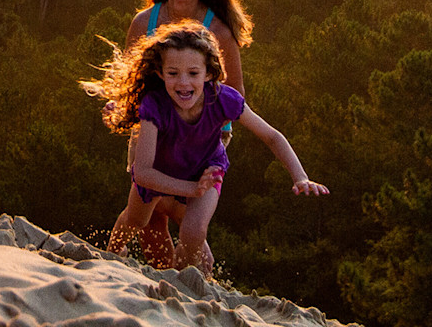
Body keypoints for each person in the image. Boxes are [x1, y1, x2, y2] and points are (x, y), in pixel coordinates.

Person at [84, 23, 327, 273]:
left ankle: (180, 281)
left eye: (193, 73)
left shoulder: (225, 99)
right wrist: (189, 188)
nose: (183, 83)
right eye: (173, 73)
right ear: (159, 72)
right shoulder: (153, 105)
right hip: (160, 169)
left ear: (209, 74)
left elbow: (272, 137)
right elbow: (144, 172)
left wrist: (300, 177)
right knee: (137, 219)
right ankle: (112, 254)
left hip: (206, 170)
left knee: (194, 231)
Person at [119, 0, 252, 259]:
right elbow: (128, 79)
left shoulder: (218, 30)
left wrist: (201, 131)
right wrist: (120, 105)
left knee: (185, 213)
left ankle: (196, 278)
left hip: (202, 134)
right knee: (150, 213)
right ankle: (167, 286)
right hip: (151, 127)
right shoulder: (143, 22)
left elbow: (235, 95)